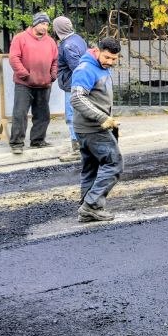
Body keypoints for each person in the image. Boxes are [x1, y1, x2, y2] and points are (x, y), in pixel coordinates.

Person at [69, 37, 124, 222]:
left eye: (114, 59)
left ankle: (86, 207)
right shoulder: (85, 69)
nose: (110, 62)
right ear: (97, 50)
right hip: (93, 128)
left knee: (91, 168)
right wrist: (103, 118)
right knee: (114, 164)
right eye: (107, 57)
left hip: (89, 128)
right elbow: (77, 98)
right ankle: (91, 206)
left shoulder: (101, 67)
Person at [7, 12, 58, 154]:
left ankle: (38, 140)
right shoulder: (20, 38)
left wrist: (53, 74)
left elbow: (55, 60)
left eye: (47, 24)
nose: (45, 27)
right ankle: (17, 143)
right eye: (42, 23)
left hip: (44, 83)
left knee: (43, 114)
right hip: (24, 84)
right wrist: (24, 74)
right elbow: (14, 58)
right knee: (20, 113)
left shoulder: (50, 41)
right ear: (35, 23)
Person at [53, 16, 89, 163]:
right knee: (80, 115)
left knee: (72, 117)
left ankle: (77, 149)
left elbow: (77, 68)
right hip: (77, 84)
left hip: (72, 85)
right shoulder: (78, 39)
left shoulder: (68, 45)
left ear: (57, 29)